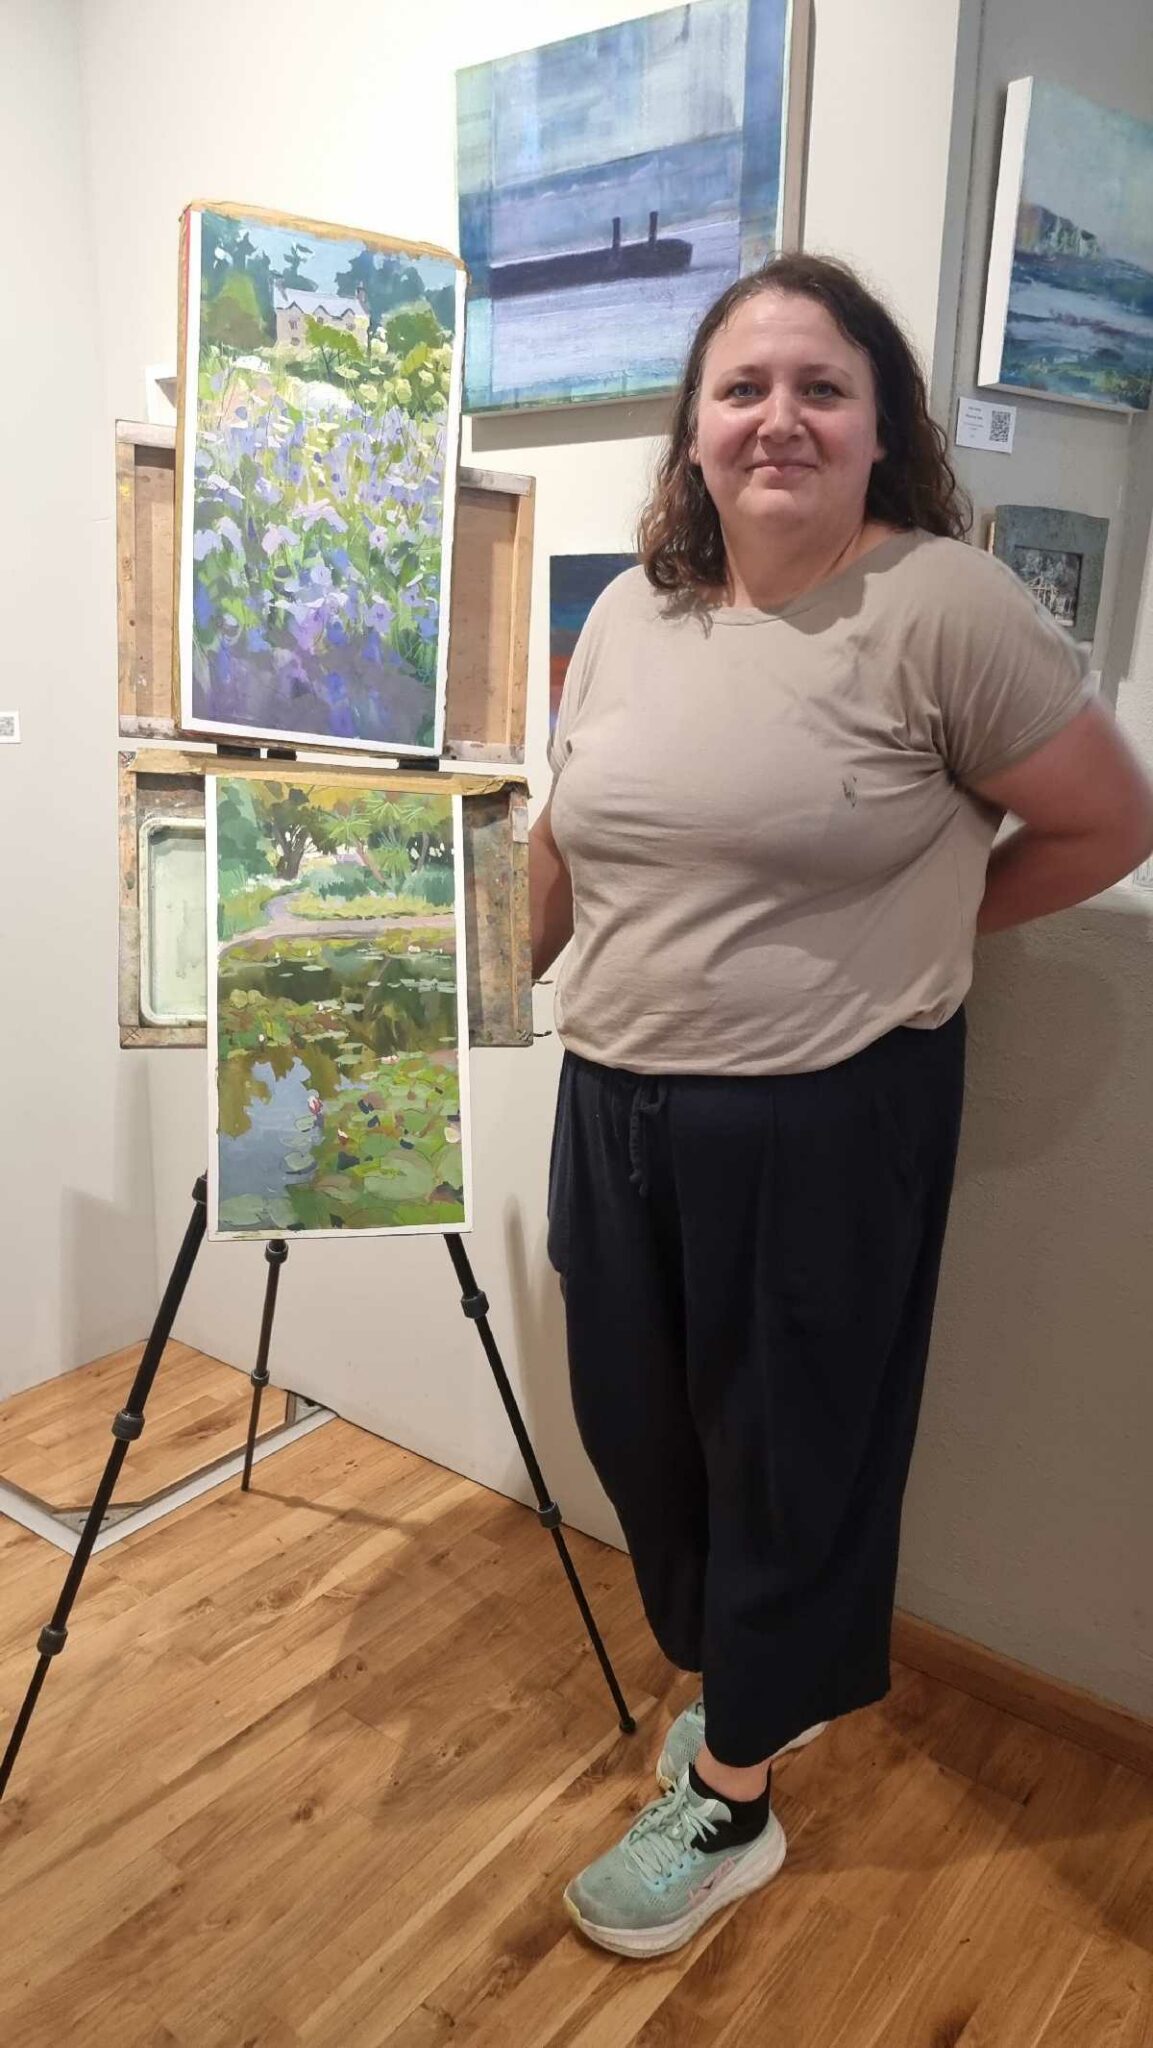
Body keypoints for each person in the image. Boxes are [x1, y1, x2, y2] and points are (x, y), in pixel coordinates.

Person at [529, 253, 1153, 1962]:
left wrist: (922, 931)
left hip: (819, 1118)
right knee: (640, 1431)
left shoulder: (940, 603)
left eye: (821, 387)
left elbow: (1107, 821)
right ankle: (749, 1681)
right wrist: (472, 983)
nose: (777, 419)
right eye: (741, 388)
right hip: (614, 1099)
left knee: (792, 1450)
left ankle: (731, 1796)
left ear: (882, 427)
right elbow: (565, 831)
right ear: (693, 430)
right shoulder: (632, 612)